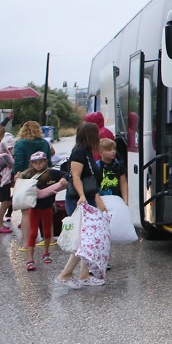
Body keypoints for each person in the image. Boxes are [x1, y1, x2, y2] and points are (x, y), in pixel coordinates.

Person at [56, 122, 106, 288]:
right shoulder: (79, 153)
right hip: (78, 199)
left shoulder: (86, 152)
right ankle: (65, 275)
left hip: (87, 198)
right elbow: (75, 177)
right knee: (82, 241)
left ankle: (84, 275)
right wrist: (83, 196)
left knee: (87, 239)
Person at [16, 151, 67, 271]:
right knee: (33, 233)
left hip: (47, 207)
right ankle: (30, 259)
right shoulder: (27, 174)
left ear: (45, 162)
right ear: (31, 164)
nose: (38, 165)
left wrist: (64, 179)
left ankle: (46, 253)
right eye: (35, 163)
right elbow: (18, 181)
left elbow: (66, 173)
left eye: (40, 162)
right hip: (34, 207)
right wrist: (17, 178)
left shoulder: (52, 173)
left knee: (47, 232)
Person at [7, 121, 53, 239]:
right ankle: (49, 239)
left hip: (26, 177)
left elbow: (19, 161)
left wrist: (17, 175)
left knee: (26, 212)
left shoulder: (20, 144)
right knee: (46, 209)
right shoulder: (44, 142)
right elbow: (48, 159)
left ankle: (27, 243)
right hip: (44, 176)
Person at [97, 138, 127, 203]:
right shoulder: (97, 166)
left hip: (117, 199)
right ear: (100, 153)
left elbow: (123, 183)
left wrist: (125, 201)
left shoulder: (119, 165)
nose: (113, 151)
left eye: (114, 149)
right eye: (109, 150)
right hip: (102, 200)